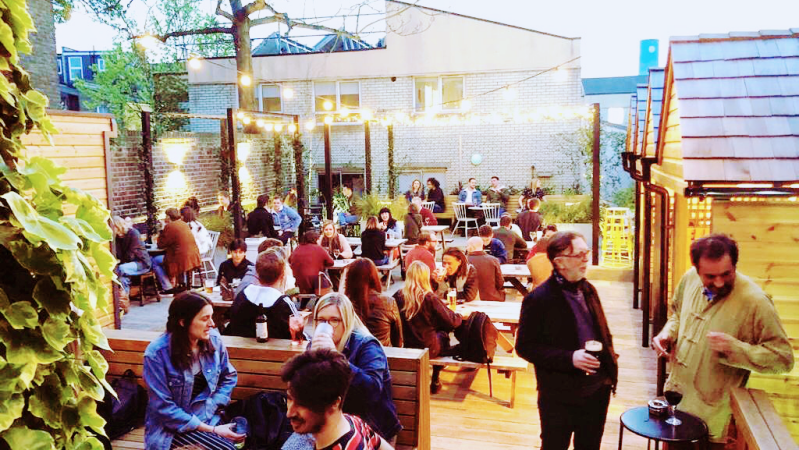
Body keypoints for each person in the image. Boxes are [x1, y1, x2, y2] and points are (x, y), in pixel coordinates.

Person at [651, 234, 794, 447]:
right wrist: (667, 334)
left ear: (735, 266)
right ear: (697, 270)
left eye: (726, 274)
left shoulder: (756, 301)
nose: (719, 282)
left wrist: (736, 349)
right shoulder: (689, 278)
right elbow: (678, 314)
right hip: (676, 407)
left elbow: (783, 359)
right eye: (710, 276)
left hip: (714, 423)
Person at [515, 231, 618, 450]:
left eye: (586, 253)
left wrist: (609, 369)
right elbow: (524, 347)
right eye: (579, 255)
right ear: (559, 262)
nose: (585, 260)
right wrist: (570, 358)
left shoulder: (588, 290)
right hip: (559, 394)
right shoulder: (539, 299)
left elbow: (603, 332)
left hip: (597, 390)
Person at [143, 292, 244, 450]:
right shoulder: (157, 354)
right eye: (205, 319)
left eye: (211, 317)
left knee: (245, 434)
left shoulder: (214, 341)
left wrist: (213, 403)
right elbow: (163, 408)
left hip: (209, 416)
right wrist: (211, 429)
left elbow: (229, 376)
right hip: (172, 429)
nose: (212, 324)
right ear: (183, 322)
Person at [308, 293, 402, 443]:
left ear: (347, 321)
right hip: (330, 426)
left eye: (334, 320)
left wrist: (336, 358)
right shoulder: (315, 345)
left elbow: (372, 391)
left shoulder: (366, 345)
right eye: (321, 320)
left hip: (371, 429)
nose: (327, 326)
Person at [281, 349, 393, 450]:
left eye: (302, 403)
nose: (289, 413)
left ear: (334, 403)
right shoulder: (353, 422)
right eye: (289, 399)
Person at [394, 261, 462, 394]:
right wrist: (459, 315)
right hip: (429, 348)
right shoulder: (429, 297)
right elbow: (452, 322)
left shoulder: (398, 296)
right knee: (443, 333)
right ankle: (435, 377)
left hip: (407, 346)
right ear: (425, 277)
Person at [224, 249, 296, 339]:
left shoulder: (242, 296)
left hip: (238, 347)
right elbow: (297, 332)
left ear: (257, 274)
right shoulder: (284, 304)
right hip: (274, 348)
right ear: (282, 276)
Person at [341, 258, 403, 348]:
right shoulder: (388, 302)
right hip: (382, 352)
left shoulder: (344, 304)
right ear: (374, 277)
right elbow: (398, 340)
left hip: (354, 353)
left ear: (349, 279)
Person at [153, 208, 202, 293]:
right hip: (193, 255)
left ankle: (167, 287)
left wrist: (162, 228)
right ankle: (181, 283)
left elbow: (161, 244)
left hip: (180, 258)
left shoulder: (170, 226)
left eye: (166, 216)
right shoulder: (183, 224)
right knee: (169, 258)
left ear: (168, 217)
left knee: (154, 261)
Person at [112, 216, 152, 310]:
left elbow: (131, 253)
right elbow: (117, 254)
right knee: (122, 279)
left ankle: (118, 297)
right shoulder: (117, 238)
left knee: (120, 269)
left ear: (118, 226)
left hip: (141, 263)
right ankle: (123, 304)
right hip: (127, 264)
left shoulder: (133, 233)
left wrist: (120, 262)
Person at [289, 231, 334, 295]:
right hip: (314, 284)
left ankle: (305, 301)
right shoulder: (318, 248)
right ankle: (324, 298)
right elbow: (331, 262)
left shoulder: (298, 248)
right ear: (315, 239)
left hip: (298, 284)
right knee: (323, 274)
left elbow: (289, 260)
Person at [466, 237, 505, 302]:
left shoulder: (464, 261)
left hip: (470, 298)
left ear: (471, 247)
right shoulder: (494, 260)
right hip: (492, 297)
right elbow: (500, 282)